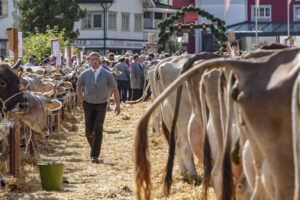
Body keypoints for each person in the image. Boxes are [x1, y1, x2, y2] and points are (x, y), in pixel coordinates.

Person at [76, 52, 120, 164]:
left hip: (101, 103)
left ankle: (95, 155)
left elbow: (115, 89)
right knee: (88, 132)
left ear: (99, 60)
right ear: (89, 61)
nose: (95, 61)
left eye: (96, 59)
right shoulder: (85, 74)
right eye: (92, 59)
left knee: (98, 128)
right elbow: (78, 87)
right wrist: (82, 100)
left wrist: (118, 105)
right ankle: (94, 147)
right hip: (88, 103)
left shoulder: (107, 74)